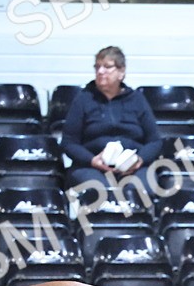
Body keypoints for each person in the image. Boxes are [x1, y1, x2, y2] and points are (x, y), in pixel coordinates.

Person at [61, 45, 163, 192]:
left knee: (140, 189)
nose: (100, 71)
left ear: (121, 72)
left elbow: (155, 141)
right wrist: (92, 160)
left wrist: (139, 160)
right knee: (101, 191)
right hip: (91, 166)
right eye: (97, 67)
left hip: (133, 167)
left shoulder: (137, 99)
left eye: (107, 67)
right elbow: (68, 143)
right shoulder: (83, 99)